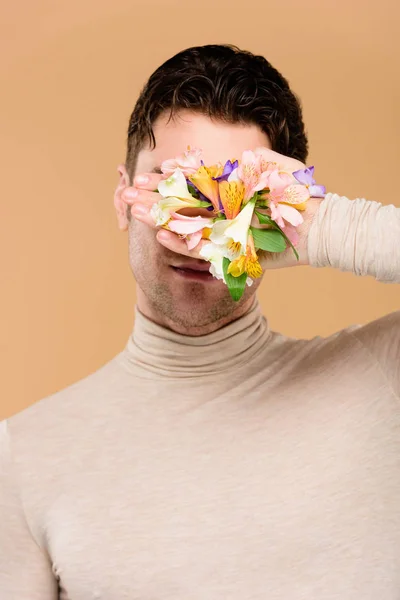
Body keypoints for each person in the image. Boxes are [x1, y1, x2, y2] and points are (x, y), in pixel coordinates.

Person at [1, 44, 399, 599]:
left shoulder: (382, 378)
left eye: (236, 198)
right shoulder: (23, 456)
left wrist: (333, 227)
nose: (199, 231)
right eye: (173, 188)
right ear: (123, 197)